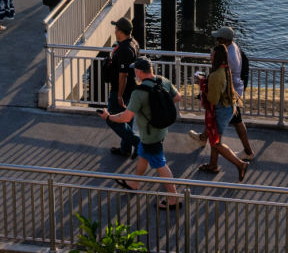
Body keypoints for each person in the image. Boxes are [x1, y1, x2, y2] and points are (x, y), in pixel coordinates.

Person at [99, 56, 182, 208]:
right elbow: (177, 97)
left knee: (160, 164)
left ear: (138, 72)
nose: (135, 74)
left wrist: (108, 117)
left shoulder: (139, 92)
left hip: (151, 134)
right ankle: (134, 183)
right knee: (143, 154)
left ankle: (173, 199)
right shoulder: (162, 80)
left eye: (135, 71)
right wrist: (159, 107)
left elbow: (126, 117)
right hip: (161, 129)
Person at [190, 26, 254, 162]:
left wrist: (205, 87)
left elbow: (220, 79)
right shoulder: (233, 47)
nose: (217, 41)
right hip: (234, 90)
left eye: (218, 39)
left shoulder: (227, 56)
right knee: (227, 120)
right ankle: (203, 138)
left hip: (229, 95)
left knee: (223, 127)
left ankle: (244, 155)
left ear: (224, 40)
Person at [195, 44, 248, 181]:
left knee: (216, 143)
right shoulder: (225, 69)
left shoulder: (216, 75)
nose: (210, 56)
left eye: (212, 54)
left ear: (217, 57)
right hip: (228, 107)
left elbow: (213, 99)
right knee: (215, 139)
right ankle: (213, 165)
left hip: (221, 110)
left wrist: (202, 86)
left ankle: (240, 164)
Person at [101, 17, 140, 158]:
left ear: (121, 31)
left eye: (116, 28)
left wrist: (119, 95)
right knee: (127, 119)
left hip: (121, 90)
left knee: (112, 118)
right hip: (132, 89)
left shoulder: (124, 49)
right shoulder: (133, 43)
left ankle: (138, 143)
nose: (115, 30)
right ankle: (125, 149)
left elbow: (123, 75)